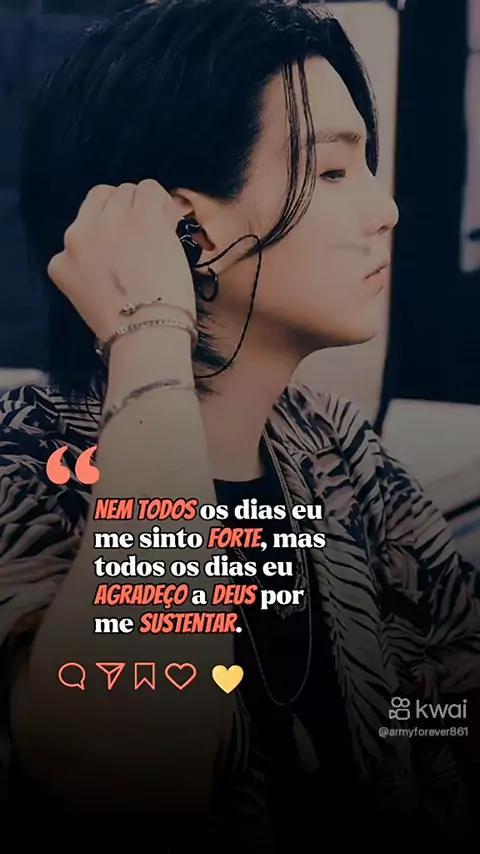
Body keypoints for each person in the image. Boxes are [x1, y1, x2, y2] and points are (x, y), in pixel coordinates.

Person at [0, 0, 479, 850]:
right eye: (336, 172)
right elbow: (134, 763)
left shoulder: (347, 462)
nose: (387, 211)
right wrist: (150, 327)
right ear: (186, 229)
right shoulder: (23, 467)